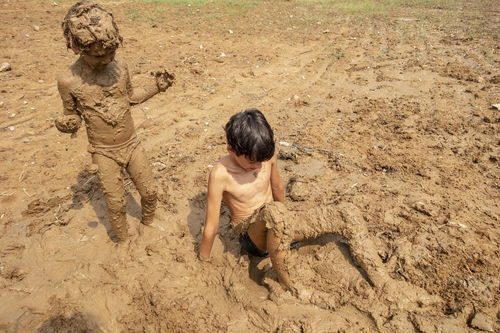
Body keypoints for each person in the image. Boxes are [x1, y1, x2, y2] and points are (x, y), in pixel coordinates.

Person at [199, 109, 388, 293]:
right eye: (251, 162)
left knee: (346, 212)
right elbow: (211, 224)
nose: (257, 167)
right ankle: (288, 286)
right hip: (253, 237)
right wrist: (204, 260)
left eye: (261, 162)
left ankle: (382, 280)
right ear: (230, 149)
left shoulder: (266, 156)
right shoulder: (220, 174)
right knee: (275, 213)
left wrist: (287, 223)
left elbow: (278, 188)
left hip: (278, 225)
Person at [55, 0, 174, 242]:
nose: (104, 59)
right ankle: (122, 240)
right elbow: (71, 116)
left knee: (150, 192)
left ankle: (149, 226)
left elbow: (131, 97)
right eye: (97, 56)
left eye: (110, 52)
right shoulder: (68, 81)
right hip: (103, 151)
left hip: (132, 143)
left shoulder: (120, 67)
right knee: (116, 202)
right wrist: (65, 123)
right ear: (76, 48)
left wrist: (156, 87)